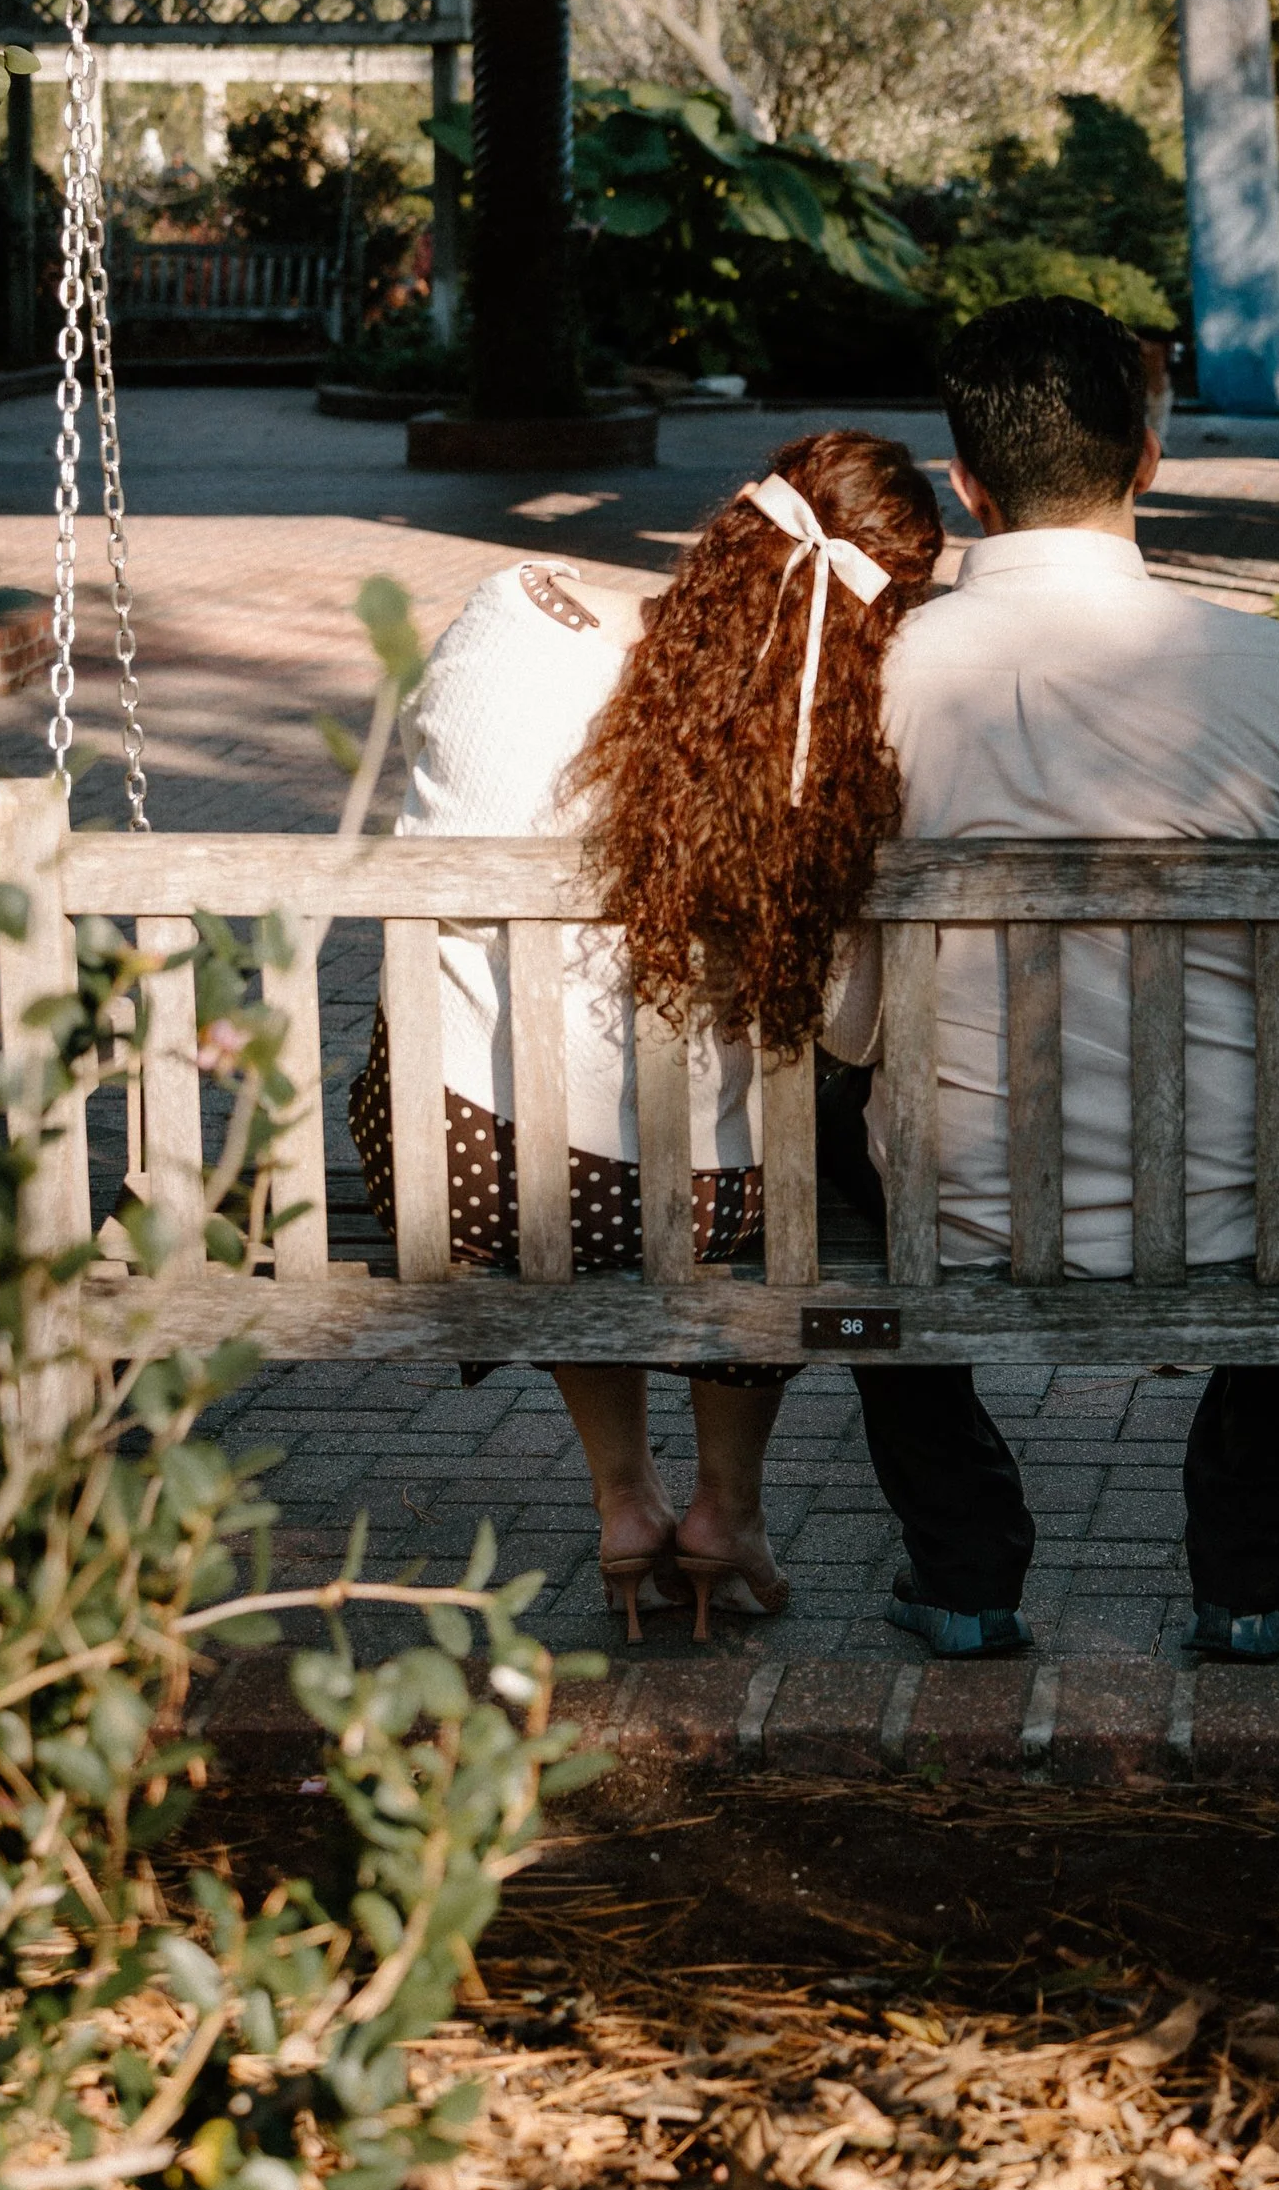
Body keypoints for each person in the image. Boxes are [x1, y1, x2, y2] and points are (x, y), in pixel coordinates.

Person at [825, 295, 1279, 1664]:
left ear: (963, 481)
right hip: (1243, 1200)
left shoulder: (874, 679)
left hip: (955, 1206)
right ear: (1149, 458)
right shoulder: (1278, 675)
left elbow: (839, 997)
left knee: (830, 1135)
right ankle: (1255, 1570)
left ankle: (963, 1564)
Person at [348, 428, 945, 1641]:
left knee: (551, 1133)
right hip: (696, 1205)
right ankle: (724, 1510)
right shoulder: (808, 773)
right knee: (775, 1178)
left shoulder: (516, 616)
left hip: (453, 1164)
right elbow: (845, 1027)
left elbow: (434, 865)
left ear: (736, 517)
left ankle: (625, 1500)